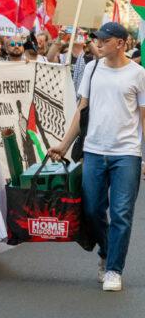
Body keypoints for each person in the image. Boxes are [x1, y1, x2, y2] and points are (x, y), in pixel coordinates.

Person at [48, 22, 145, 292]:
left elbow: (144, 119)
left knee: (122, 213)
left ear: (121, 43)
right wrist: (64, 144)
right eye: (97, 39)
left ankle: (114, 269)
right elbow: (82, 110)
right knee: (91, 210)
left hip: (127, 153)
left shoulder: (138, 75)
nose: (98, 43)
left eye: (104, 39)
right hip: (93, 150)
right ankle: (106, 249)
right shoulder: (91, 69)